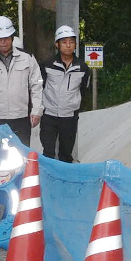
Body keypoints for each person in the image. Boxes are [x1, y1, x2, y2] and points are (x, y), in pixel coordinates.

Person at [0, 16, 43, 147]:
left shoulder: (27, 58)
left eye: (6, 37)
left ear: (12, 37)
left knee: (21, 154)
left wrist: (36, 111)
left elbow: (36, 86)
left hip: (21, 118)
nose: (3, 42)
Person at [39, 25, 91, 162]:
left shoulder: (82, 67)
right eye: (64, 42)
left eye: (71, 42)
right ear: (57, 44)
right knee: (48, 152)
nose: (68, 45)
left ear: (75, 44)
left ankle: (64, 175)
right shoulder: (47, 65)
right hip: (49, 115)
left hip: (69, 117)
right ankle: (48, 174)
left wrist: (74, 106)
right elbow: (39, 87)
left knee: (66, 153)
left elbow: (84, 90)